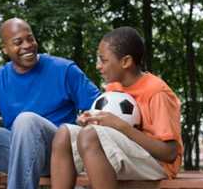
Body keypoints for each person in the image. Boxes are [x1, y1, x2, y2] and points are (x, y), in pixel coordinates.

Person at [0, 18, 100, 189]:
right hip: (18, 155)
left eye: (30, 38)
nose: (27, 45)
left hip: (59, 155)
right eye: (18, 42)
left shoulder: (64, 69)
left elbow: (100, 107)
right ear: (5, 49)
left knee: (27, 121)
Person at [51, 27, 183, 189]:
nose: (99, 66)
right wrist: (92, 120)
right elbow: (108, 134)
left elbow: (169, 153)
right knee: (64, 133)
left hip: (157, 164)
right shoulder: (113, 88)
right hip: (126, 155)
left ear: (126, 62)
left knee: (90, 136)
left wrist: (120, 126)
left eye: (104, 60)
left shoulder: (156, 92)